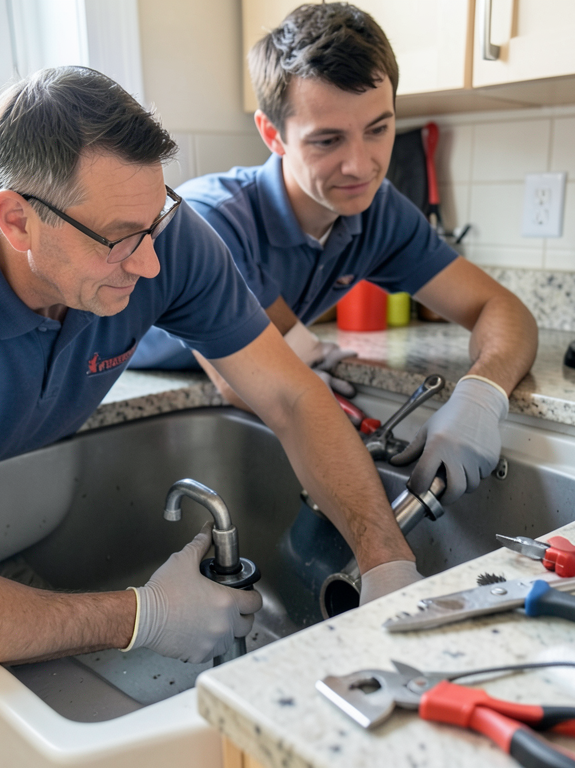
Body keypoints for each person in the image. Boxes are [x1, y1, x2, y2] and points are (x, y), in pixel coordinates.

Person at [0, 66, 421, 678]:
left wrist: (386, 562)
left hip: (11, 484)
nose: (147, 265)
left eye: (154, 223)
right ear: (16, 219)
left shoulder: (159, 238)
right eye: (117, 239)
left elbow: (290, 397)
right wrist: (143, 616)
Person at [129, 2, 538, 507]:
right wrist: (302, 359)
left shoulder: (379, 212)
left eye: (379, 129)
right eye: (328, 140)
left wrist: (482, 394)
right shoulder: (213, 218)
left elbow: (504, 311)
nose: (362, 165)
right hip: (136, 373)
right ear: (272, 134)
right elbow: (243, 381)